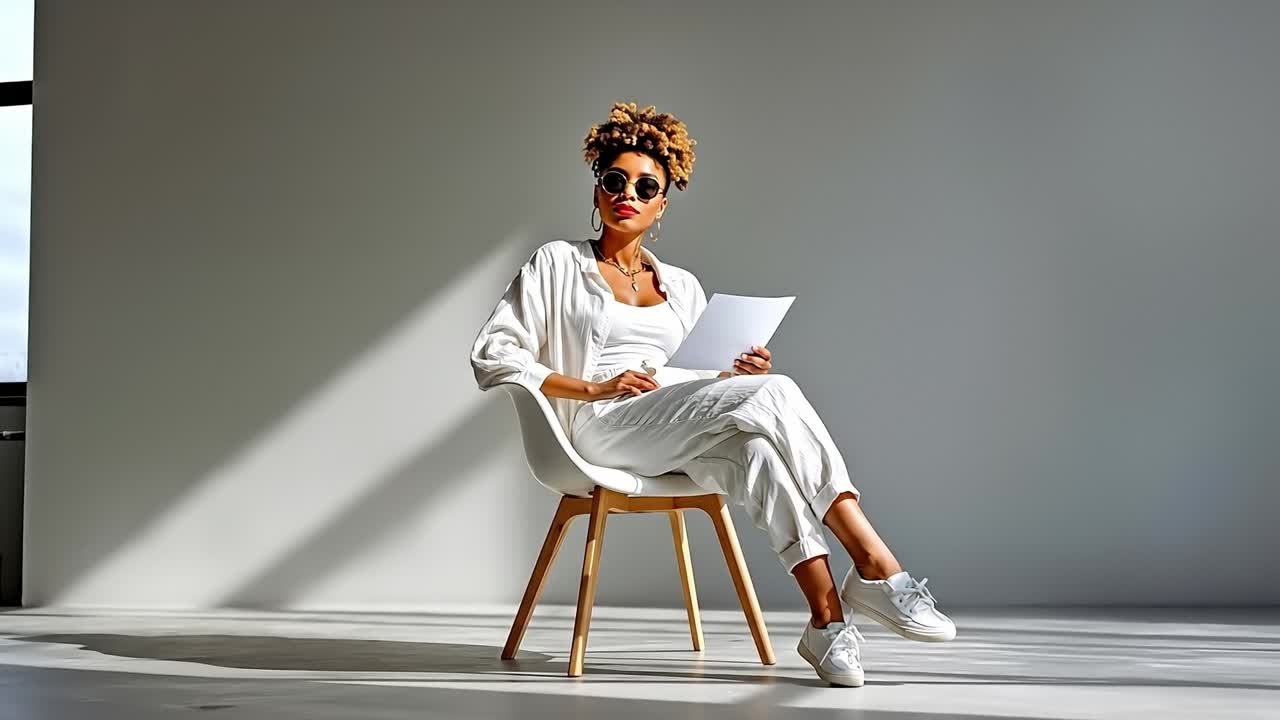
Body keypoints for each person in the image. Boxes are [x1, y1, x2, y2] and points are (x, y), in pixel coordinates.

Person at [470, 101, 955, 687]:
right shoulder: (558, 263)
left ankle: (826, 624)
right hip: (598, 427)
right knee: (773, 394)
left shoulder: (680, 286)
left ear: (661, 204)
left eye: (645, 185)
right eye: (614, 179)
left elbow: (697, 381)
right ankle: (876, 565)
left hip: (671, 426)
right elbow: (495, 353)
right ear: (597, 187)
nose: (628, 193)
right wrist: (594, 385)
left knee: (756, 448)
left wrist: (738, 374)